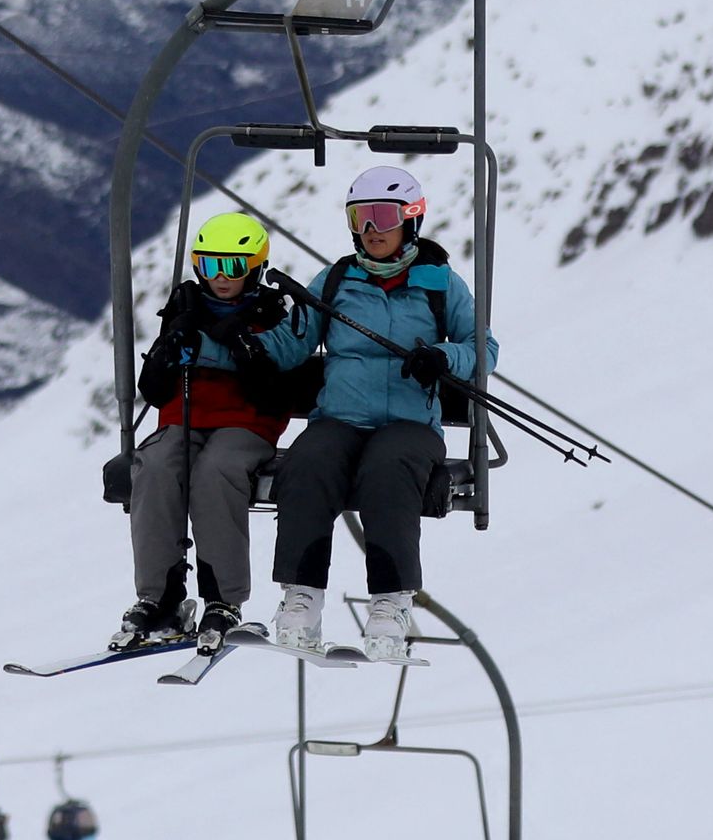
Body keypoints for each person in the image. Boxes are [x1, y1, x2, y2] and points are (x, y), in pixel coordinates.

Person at [259, 162, 487, 664]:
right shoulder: (338, 279)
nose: (370, 230)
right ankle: (301, 597)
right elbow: (293, 345)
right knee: (308, 462)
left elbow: (481, 346)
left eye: (382, 217)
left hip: (410, 425)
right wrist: (251, 338)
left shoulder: (439, 283)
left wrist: (444, 358)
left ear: (411, 219)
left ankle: (390, 602)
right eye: (360, 217)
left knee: (388, 470)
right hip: (341, 418)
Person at [111, 211, 304, 655]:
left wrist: (233, 349)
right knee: (155, 466)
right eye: (209, 265)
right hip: (184, 418)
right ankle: (160, 595)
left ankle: (223, 597)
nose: (221, 278)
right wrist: (165, 354)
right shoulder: (185, 308)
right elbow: (154, 393)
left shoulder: (271, 313)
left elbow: (278, 386)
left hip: (247, 421)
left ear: (254, 267)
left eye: (233, 267)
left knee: (218, 471)